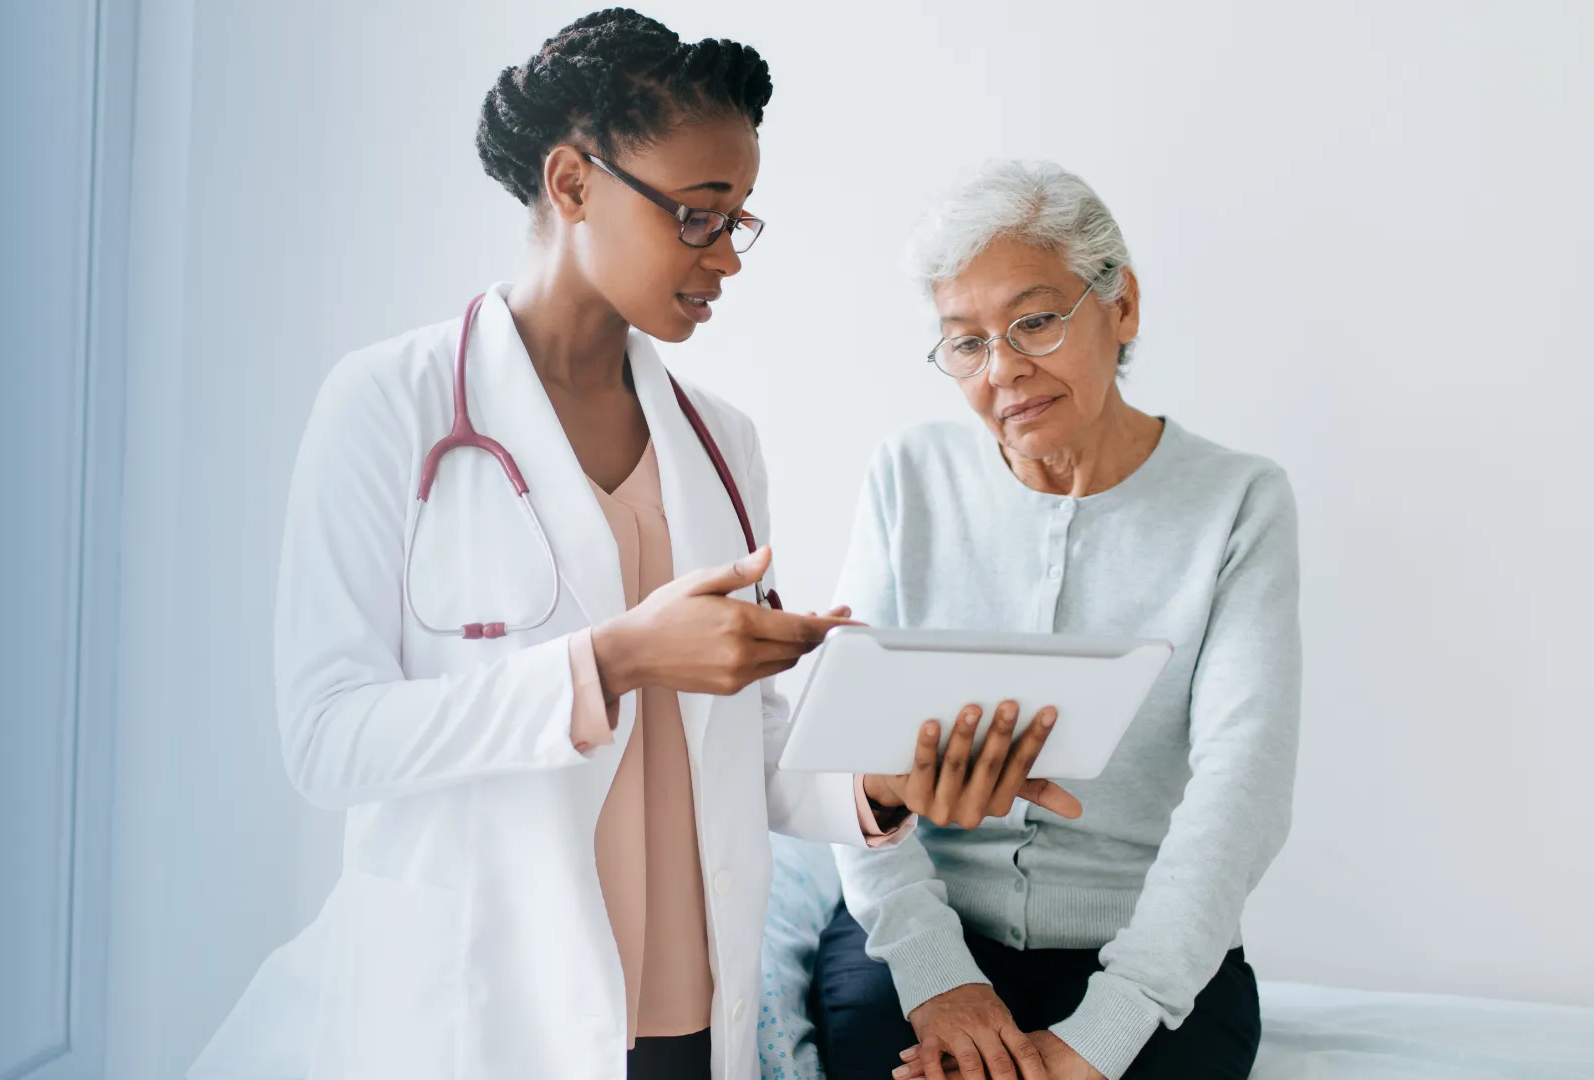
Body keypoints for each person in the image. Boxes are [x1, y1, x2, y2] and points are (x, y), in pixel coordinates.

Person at [189, 15, 1076, 1080]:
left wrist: (883, 787)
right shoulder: (389, 405)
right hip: (480, 1004)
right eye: (700, 217)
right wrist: (611, 662)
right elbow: (329, 741)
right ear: (572, 183)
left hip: (684, 1013)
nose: (726, 260)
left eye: (740, 222)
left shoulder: (721, 441)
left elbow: (733, 747)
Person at [813, 161, 1301, 1080]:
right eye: (966, 343)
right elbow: (849, 760)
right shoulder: (907, 477)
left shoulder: (1240, 502)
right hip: (925, 930)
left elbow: (1244, 787)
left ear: (1122, 307)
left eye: (1034, 321)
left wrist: (1106, 1030)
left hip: (1149, 950)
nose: (1003, 371)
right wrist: (932, 976)